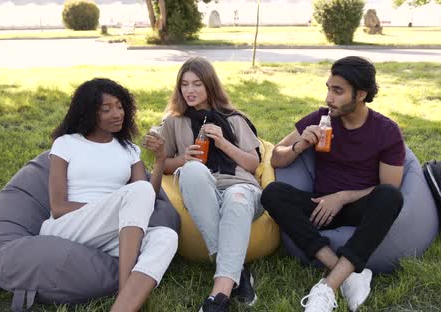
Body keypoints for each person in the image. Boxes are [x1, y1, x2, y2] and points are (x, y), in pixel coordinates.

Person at [261, 56, 405, 312]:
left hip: (358, 208)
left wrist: (342, 197)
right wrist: (301, 144)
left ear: (360, 94)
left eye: (338, 91)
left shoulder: (386, 131)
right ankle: (349, 274)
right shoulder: (321, 118)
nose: (329, 98)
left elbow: (391, 186)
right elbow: (277, 158)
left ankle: (327, 287)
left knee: (390, 198)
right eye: (328, 88)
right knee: (272, 193)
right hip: (319, 207)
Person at [39, 78, 178, 312]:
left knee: (166, 237)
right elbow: (58, 207)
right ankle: (126, 289)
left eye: (120, 106)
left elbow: (146, 199)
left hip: (110, 232)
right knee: (137, 192)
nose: (117, 114)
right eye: (106, 109)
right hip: (68, 226)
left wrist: (161, 160)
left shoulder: (129, 149)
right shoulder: (66, 144)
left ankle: (122, 308)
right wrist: (111, 208)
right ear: (88, 113)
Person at [159, 56, 262, 312]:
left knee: (236, 197)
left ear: (210, 86)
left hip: (241, 187)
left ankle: (219, 294)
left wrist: (223, 143)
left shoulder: (234, 118)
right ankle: (237, 271)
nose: (190, 91)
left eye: (197, 84)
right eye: (184, 84)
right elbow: (162, 165)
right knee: (192, 169)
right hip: (202, 190)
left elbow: (253, 165)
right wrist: (183, 159)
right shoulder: (174, 122)